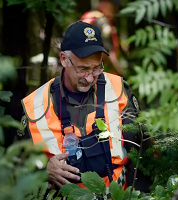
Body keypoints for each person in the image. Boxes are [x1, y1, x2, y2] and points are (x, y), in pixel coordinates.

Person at [17, 21, 151, 197]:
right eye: (82, 70)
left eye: (96, 69)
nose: (89, 78)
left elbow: (142, 152)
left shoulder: (118, 90)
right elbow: (16, 164)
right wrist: (43, 167)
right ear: (64, 59)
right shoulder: (35, 105)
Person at [80, 0, 125, 75]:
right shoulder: (102, 22)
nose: (115, 12)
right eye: (114, 7)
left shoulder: (88, 17)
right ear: (105, 4)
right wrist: (121, 73)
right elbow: (105, 53)